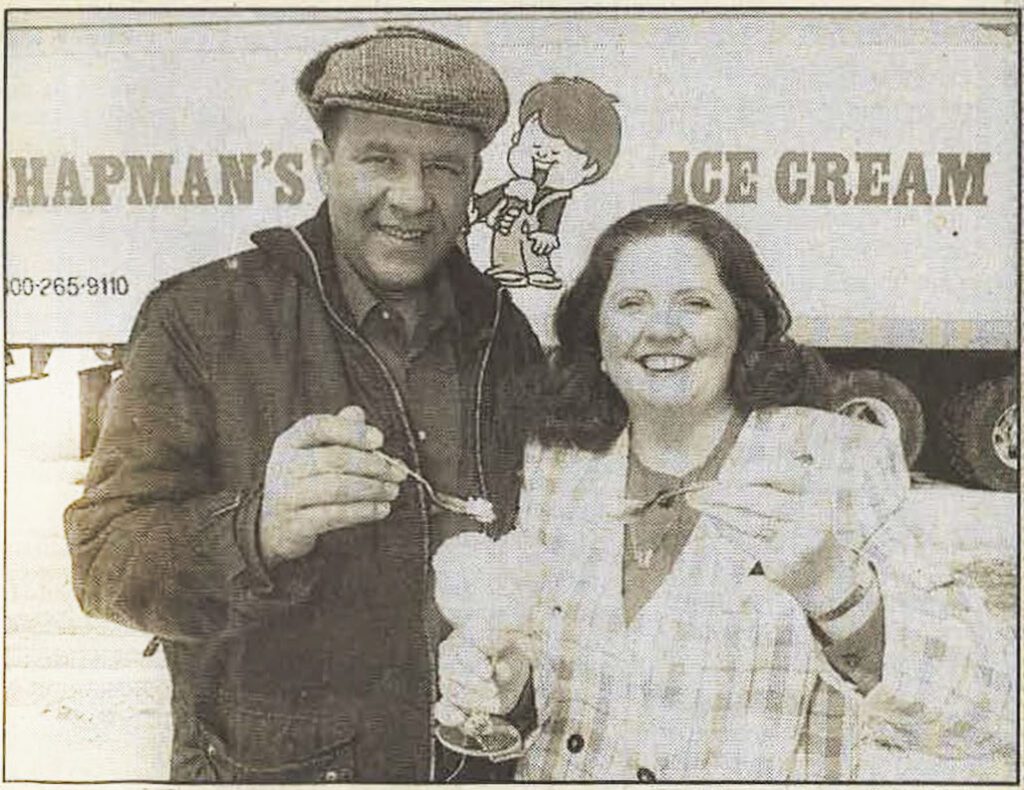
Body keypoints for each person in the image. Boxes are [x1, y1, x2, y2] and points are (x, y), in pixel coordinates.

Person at [64, 27, 545, 782]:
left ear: (474, 180)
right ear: (321, 164)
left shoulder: (502, 334)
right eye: (379, 159)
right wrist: (258, 528)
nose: (412, 197)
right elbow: (101, 563)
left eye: (443, 167)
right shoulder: (201, 317)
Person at [434, 203, 1014, 780]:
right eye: (632, 303)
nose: (661, 327)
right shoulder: (560, 462)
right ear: (598, 339)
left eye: (695, 302)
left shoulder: (837, 462)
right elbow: (548, 652)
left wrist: (837, 590)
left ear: (742, 328)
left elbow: (989, 712)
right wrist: (508, 678)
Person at [472, 77, 621, 290]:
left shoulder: (557, 196)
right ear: (516, 139)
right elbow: (494, 196)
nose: (542, 156)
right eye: (535, 146)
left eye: (554, 154)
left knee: (537, 248)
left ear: (589, 168)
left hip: (535, 232)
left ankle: (539, 269)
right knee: (507, 242)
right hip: (506, 227)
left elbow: (553, 212)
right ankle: (507, 266)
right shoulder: (515, 185)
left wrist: (547, 232)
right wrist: (477, 209)